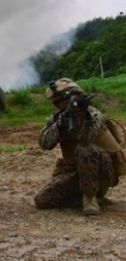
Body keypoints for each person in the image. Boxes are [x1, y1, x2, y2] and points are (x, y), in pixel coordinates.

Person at [34, 78, 122, 215]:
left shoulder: (92, 113)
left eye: (64, 99)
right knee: (42, 200)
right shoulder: (59, 118)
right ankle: (86, 198)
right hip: (77, 172)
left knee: (85, 148)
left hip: (102, 171)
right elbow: (44, 143)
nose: (61, 103)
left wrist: (81, 119)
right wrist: (59, 125)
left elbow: (87, 138)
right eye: (57, 102)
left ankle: (90, 199)